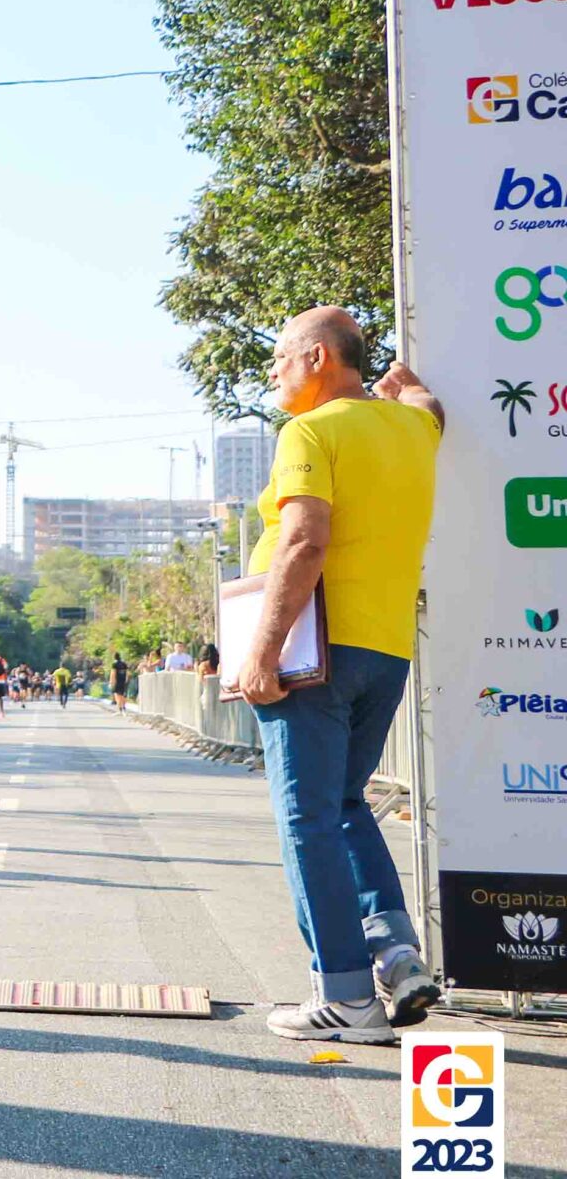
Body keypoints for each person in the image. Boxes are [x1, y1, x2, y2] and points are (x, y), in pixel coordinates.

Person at [235, 308, 444, 1043]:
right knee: (346, 803)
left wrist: (262, 651)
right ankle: (395, 952)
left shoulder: (310, 432)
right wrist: (408, 390)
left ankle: (346, 997)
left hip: (312, 655)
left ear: (319, 358)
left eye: (281, 356)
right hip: (384, 650)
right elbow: (430, 408)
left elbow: (303, 540)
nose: (274, 371)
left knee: (307, 818)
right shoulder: (413, 428)